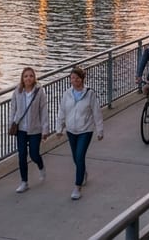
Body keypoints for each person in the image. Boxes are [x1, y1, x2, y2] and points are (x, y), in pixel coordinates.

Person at [56, 66, 103, 201]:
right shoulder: (67, 94)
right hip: (71, 130)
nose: (74, 81)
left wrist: (100, 130)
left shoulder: (90, 94)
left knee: (80, 156)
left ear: (82, 79)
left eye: (76, 78)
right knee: (75, 158)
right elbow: (62, 112)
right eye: (72, 78)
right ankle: (83, 173)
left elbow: (96, 112)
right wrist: (59, 129)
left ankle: (77, 187)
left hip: (85, 130)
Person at [9, 67, 49, 193]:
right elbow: (13, 109)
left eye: (31, 76)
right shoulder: (17, 91)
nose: (28, 78)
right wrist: (11, 124)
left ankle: (41, 166)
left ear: (34, 78)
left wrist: (45, 129)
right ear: (22, 78)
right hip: (21, 128)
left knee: (34, 154)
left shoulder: (39, 92)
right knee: (22, 156)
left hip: (35, 129)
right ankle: (24, 182)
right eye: (26, 76)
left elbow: (43, 110)